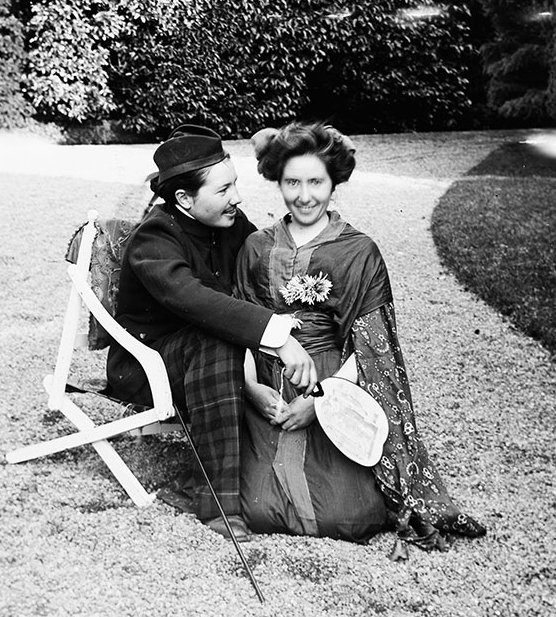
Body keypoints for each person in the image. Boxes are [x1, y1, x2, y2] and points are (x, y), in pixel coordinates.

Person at [233, 122, 486, 558]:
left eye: (316, 182)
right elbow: (239, 326)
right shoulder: (256, 246)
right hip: (265, 379)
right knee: (252, 507)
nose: (304, 195)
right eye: (292, 182)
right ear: (278, 182)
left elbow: (372, 346)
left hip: (335, 382)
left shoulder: (358, 251)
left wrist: (319, 401)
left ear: (335, 184)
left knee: (345, 517)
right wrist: (252, 389)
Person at [106, 125, 318, 542]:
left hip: (215, 363)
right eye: (223, 190)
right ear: (184, 199)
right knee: (217, 336)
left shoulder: (229, 223)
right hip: (148, 366)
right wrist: (277, 337)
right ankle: (217, 502)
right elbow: (197, 303)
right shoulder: (155, 238)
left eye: (235, 184)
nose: (237, 197)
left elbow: (263, 272)